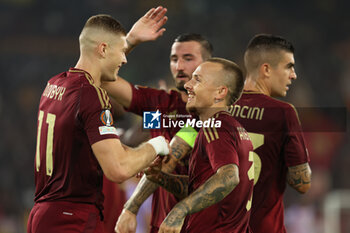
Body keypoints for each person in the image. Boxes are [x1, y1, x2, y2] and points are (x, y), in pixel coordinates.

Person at [27, 12, 170, 233]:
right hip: (73, 219)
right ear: (103, 49)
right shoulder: (92, 98)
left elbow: (95, 77)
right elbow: (121, 165)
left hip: (45, 215)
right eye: (121, 53)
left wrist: (128, 41)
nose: (124, 60)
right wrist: (157, 135)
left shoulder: (55, 84)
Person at [103, 29, 214, 233]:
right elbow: (101, 77)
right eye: (174, 59)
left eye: (188, 58)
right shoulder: (160, 105)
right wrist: (130, 41)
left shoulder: (220, 114)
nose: (179, 66)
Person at [146, 58, 254, 233]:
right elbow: (203, 190)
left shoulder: (215, 125)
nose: (188, 85)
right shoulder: (234, 128)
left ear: (220, 92)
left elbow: (229, 178)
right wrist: (160, 177)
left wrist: (179, 210)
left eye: (197, 79)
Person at [231, 34, 312, 233]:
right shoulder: (283, 113)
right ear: (266, 69)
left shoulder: (217, 107)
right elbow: (302, 184)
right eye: (288, 67)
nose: (293, 75)